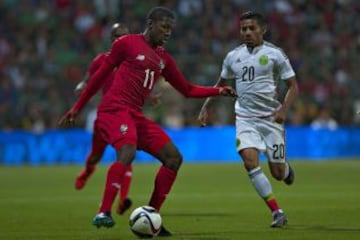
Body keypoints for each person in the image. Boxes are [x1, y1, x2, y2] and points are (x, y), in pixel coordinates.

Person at [59, 6, 236, 236]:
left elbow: (187, 89)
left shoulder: (163, 58)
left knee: (173, 158)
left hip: (134, 114)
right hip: (113, 110)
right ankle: (104, 212)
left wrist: (218, 90)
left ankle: (152, 216)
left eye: (171, 29)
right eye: (164, 27)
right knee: (128, 149)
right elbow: (99, 75)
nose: (168, 32)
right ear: (150, 23)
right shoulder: (126, 43)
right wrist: (77, 107)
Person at [198, 11, 299, 228]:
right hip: (245, 119)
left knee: (278, 174)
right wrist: (206, 106)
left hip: (271, 120)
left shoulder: (275, 54)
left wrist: (284, 110)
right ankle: (277, 212)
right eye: (244, 29)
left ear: (263, 29)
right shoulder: (233, 56)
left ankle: (286, 169)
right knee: (249, 162)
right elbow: (221, 83)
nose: (247, 32)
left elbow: (293, 86)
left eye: (252, 28)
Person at [73, 23, 133, 215]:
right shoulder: (101, 60)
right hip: (105, 116)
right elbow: (87, 77)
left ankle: (122, 200)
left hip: (124, 114)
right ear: (111, 39)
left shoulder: (134, 61)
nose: (121, 39)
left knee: (126, 154)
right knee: (95, 156)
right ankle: (88, 171)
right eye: (117, 36)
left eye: (125, 36)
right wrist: (83, 84)